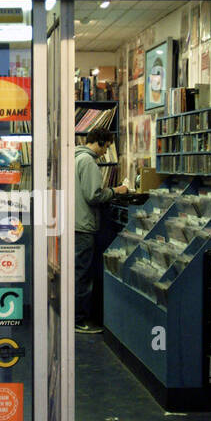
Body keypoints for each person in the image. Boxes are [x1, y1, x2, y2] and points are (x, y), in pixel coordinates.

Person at [74, 129, 127, 333]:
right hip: (84, 225)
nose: (106, 153)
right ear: (101, 142)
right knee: (83, 275)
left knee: (78, 272)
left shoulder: (75, 157)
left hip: (75, 223)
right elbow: (93, 196)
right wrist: (116, 191)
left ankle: (76, 316)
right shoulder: (88, 161)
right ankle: (79, 320)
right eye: (106, 147)